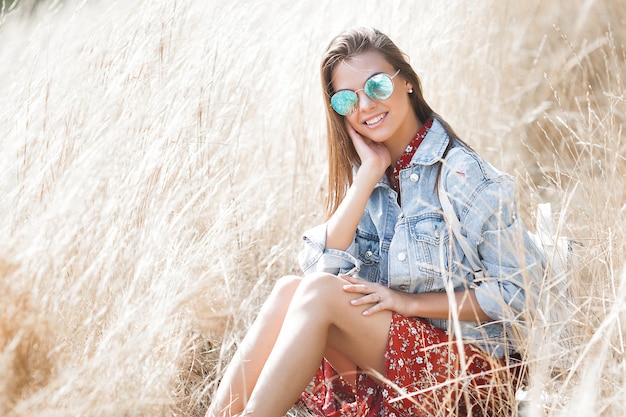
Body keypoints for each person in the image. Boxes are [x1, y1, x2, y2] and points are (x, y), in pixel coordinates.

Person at [207, 27, 543, 417]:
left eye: (377, 86)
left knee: (317, 294)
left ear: (408, 83)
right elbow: (318, 271)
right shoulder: (374, 177)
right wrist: (368, 173)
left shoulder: (464, 177)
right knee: (289, 290)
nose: (365, 105)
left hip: (474, 380)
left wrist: (411, 303)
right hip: (399, 362)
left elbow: (521, 293)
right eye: (347, 98)